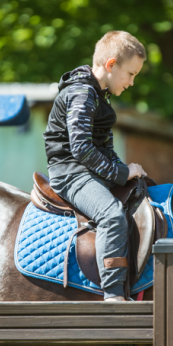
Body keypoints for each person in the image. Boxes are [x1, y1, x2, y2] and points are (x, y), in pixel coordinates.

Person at [43, 30, 147, 301]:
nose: (132, 83)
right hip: (71, 174)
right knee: (112, 215)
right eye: (131, 74)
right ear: (111, 65)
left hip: (88, 169)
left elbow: (104, 147)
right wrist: (122, 172)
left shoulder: (100, 95)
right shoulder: (82, 93)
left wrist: (127, 172)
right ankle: (113, 296)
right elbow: (80, 148)